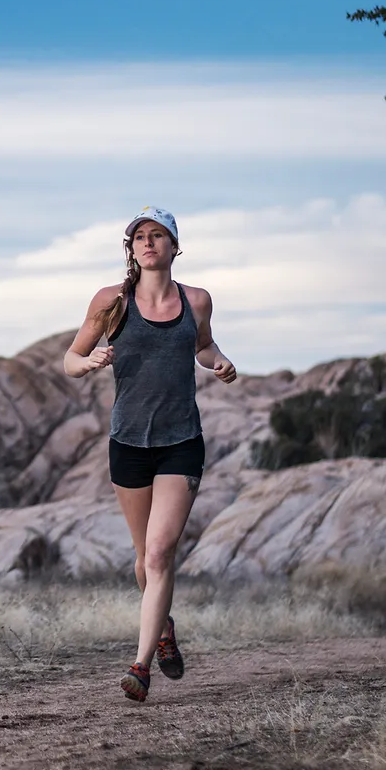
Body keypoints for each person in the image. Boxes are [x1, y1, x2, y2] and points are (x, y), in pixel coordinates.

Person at [62, 206, 236, 702]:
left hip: (181, 442)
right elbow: (69, 359)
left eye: (158, 235)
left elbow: (202, 346)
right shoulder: (112, 300)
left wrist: (217, 361)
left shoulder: (196, 300)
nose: (148, 242)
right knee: (143, 559)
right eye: (139, 236)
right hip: (128, 444)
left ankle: (140, 667)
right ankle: (163, 628)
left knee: (161, 552)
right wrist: (90, 360)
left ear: (174, 246)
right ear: (131, 247)